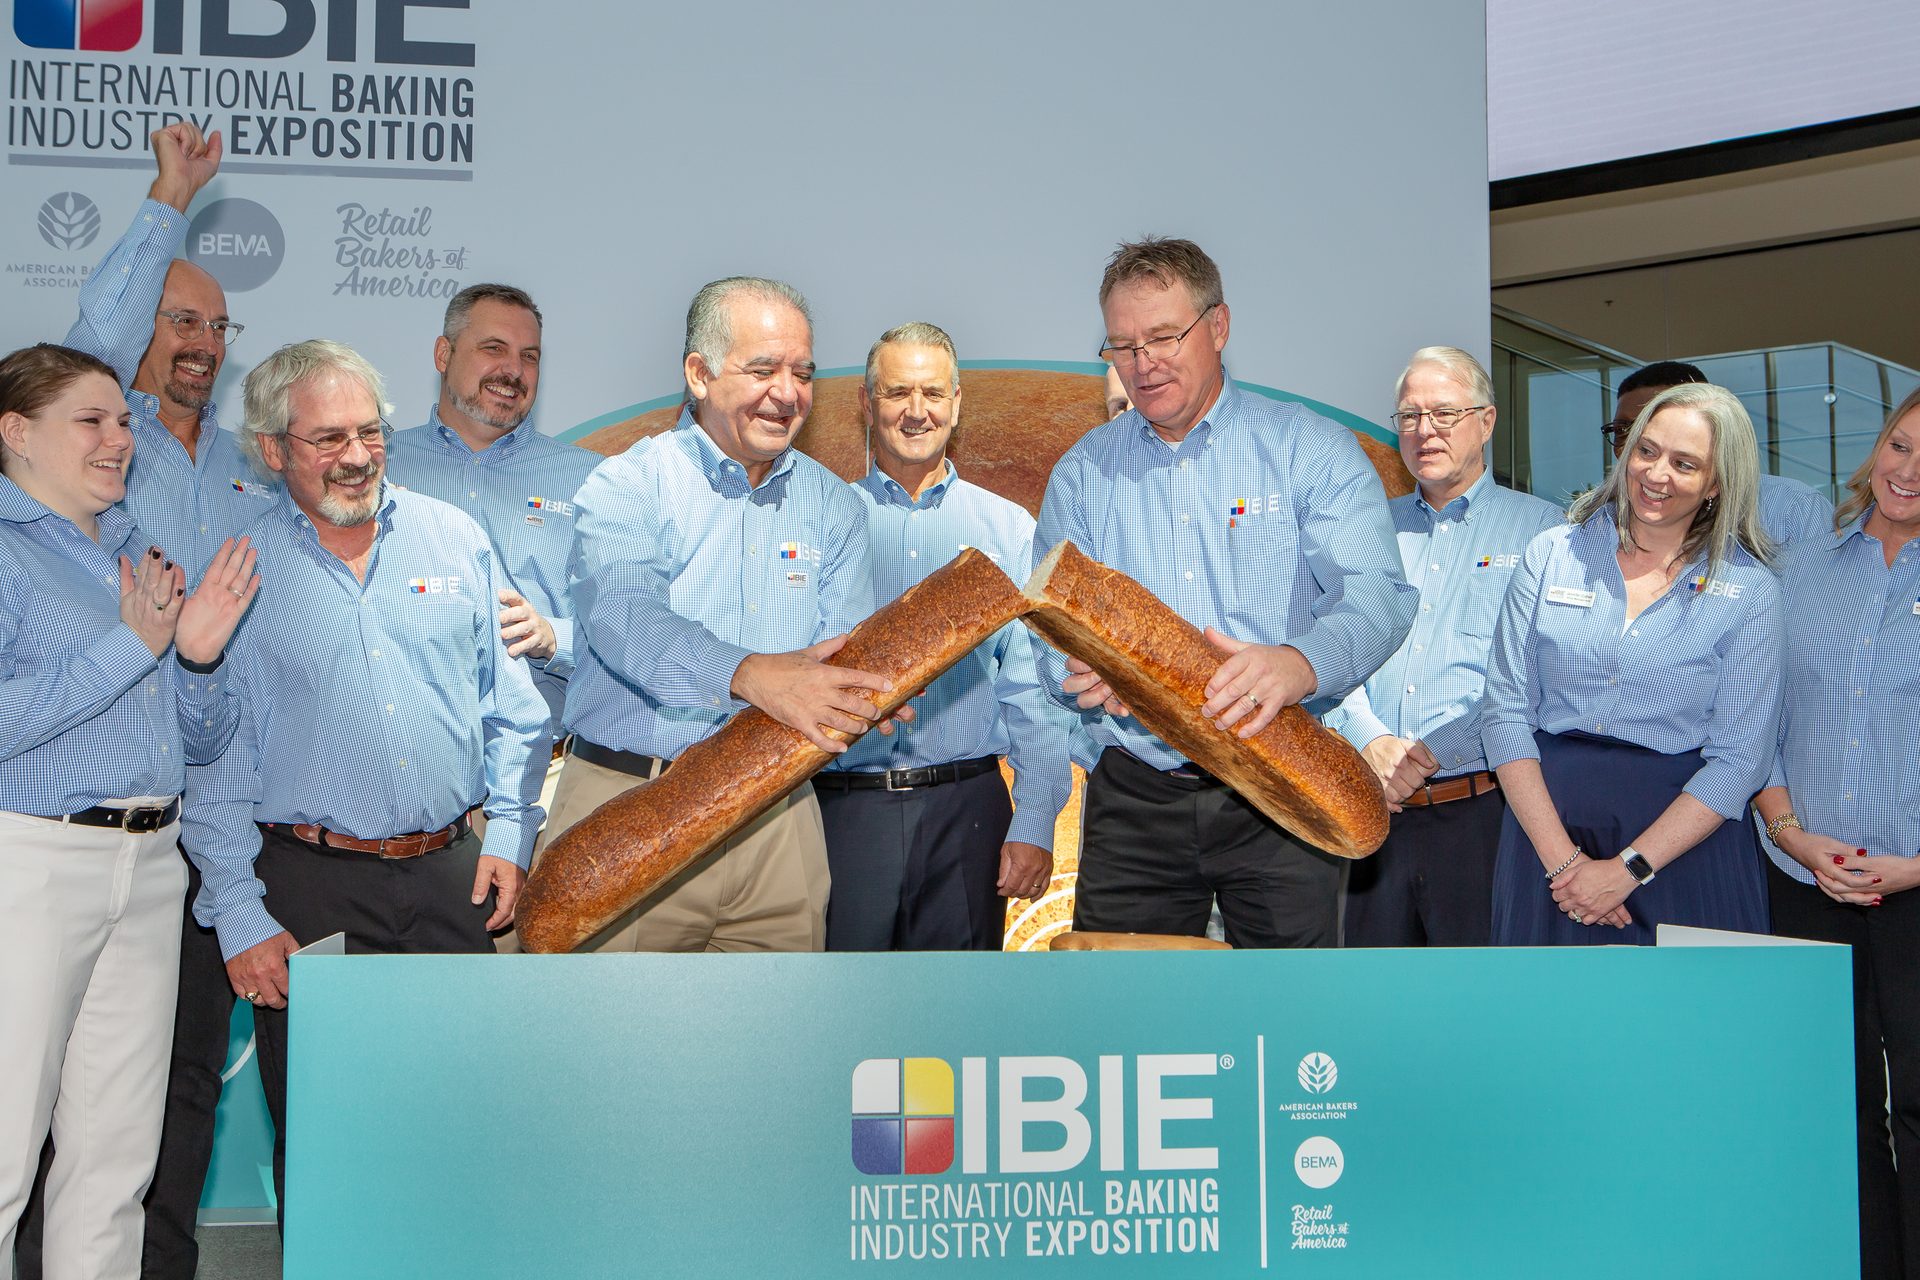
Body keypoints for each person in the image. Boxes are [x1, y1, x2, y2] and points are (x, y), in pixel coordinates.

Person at [184, 339, 549, 1220]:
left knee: (466, 1125)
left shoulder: (454, 537)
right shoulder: (238, 567)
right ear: (273, 450)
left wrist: (507, 833)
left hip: (450, 875)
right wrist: (238, 910)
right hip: (309, 887)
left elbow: (514, 707)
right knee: (326, 1137)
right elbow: (215, 764)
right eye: (326, 439)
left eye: (370, 432)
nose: (355, 456)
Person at [1032, 237, 1415, 947]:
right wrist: (1076, 670)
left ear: (1219, 327)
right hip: (1135, 793)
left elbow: (1380, 595)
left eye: (1163, 337)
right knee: (1124, 1028)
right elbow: (1045, 630)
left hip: (1280, 783)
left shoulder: (1308, 448)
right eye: (1121, 345)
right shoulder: (1082, 474)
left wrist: (1298, 665)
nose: (1143, 363)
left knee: (1292, 1025)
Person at [48, 121, 280, 1280]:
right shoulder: (99, 454)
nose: (201, 342)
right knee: (73, 1121)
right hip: (108, 818)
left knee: (170, 1105)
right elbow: (80, 346)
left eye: (217, 327)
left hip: (219, 817)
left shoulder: (252, 466)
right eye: (179, 319)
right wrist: (167, 202)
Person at [0, 343, 257, 1280]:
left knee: (115, 1163)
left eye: (121, 420)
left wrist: (192, 658)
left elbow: (199, 742)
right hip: (30, 863)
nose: (120, 439)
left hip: (153, 867)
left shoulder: (137, 557)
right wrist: (131, 644)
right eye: (92, 420)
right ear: (16, 433)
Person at [550, 276, 901, 952]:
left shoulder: (836, 508)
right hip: (628, 810)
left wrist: (866, 694)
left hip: (779, 822)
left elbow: (838, 658)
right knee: (603, 1050)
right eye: (763, 368)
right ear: (699, 374)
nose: (788, 392)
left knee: (777, 1051)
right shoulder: (629, 485)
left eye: (802, 371)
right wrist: (750, 675)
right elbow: (625, 619)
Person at [1482, 382, 1782, 944]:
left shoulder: (1750, 592)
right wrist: (1565, 865)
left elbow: (1742, 759)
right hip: (1548, 840)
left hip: (1681, 851)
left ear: (1717, 483)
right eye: (1646, 450)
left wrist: (1629, 870)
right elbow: (1504, 716)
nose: (1656, 474)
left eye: (1685, 463)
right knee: (1548, 1025)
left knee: (1682, 1028)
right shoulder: (1551, 556)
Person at [814, 323, 1071, 950]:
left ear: (957, 404)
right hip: (841, 812)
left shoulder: (1008, 529)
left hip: (969, 813)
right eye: (898, 392)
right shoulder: (819, 519)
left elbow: (1035, 687)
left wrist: (1035, 819)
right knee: (838, 1024)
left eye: (933, 393)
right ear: (866, 404)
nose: (916, 411)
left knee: (961, 1029)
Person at [1755, 385, 1920, 1279]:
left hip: (1916, 890)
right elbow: (1757, 727)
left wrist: (1914, 867)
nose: (1909, 470)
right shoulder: (1802, 570)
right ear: (1876, 449)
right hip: (1804, 883)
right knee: (1833, 1110)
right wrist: (1792, 835)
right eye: (1901, 445)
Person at [1325, 347, 1561, 946]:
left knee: (1482, 1015)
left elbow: (1541, 682)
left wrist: (1429, 752)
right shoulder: (1365, 528)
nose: (1424, 430)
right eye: (1409, 415)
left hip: (1483, 816)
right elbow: (1328, 651)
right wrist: (1370, 740)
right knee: (1375, 1016)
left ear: (1487, 421)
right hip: (1370, 812)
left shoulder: (1546, 533)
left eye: (1444, 413)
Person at [384, 285, 600, 863]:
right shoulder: (375, 467)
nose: (513, 370)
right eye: (493, 348)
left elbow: (634, 631)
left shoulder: (592, 481)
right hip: (411, 795)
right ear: (442, 354)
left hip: (551, 785)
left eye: (530, 356)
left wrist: (556, 636)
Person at [1605, 360, 1831, 547]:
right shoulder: (1597, 522)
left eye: (1683, 463)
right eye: (1621, 430)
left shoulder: (1793, 508)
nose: (1656, 472)